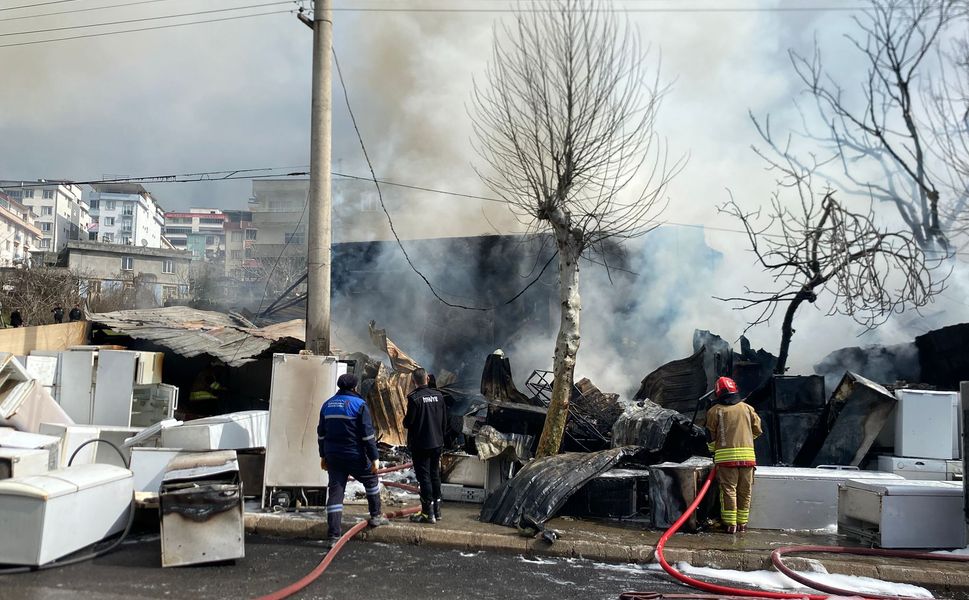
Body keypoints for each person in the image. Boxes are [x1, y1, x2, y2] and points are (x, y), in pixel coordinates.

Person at [318, 373, 390, 546]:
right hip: (354, 455)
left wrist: (322, 455)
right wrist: (374, 457)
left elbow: (321, 433)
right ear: (354, 387)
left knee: (336, 492)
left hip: (333, 456)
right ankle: (376, 516)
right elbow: (367, 435)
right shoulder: (359, 405)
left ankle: (334, 535)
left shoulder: (327, 405)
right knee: (371, 481)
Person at [705, 376, 762, 534]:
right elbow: (757, 430)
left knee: (729, 491)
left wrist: (713, 451)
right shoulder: (747, 408)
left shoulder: (714, 411)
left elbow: (710, 436)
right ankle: (742, 524)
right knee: (745, 491)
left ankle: (730, 525)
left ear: (718, 393)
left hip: (726, 460)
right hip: (748, 459)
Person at [404, 368, 448, 524]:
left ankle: (427, 514)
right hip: (437, 443)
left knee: (424, 478)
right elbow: (444, 421)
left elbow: (408, 422)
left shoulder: (414, 398)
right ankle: (437, 511)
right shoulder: (439, 396)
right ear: (427, 379)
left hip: (421, 444)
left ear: (413, 381)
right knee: (434, 474)